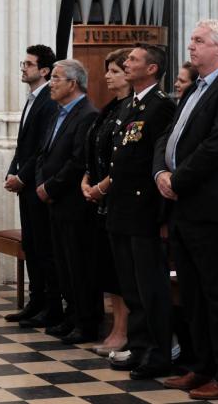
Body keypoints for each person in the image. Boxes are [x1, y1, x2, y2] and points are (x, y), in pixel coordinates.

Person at [153, 19, 218, 400]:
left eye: (199, 41)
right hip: (182, 204)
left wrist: (176, 181)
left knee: (217, 293)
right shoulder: (195, 88)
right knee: (191, 293)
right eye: (192, 40)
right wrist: (161, 172)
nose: (191, 47)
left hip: (211, 205)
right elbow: (169, 135)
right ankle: (201, 366)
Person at [101, 45, 176, 379]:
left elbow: (157, 161)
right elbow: (121, 156)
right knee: (131, 287)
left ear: (152, 68)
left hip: (144, 210)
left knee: (150, 288)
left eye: (133, 60)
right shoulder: (130, 106)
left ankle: (159, 352)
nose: (126, 64)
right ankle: (141, 346)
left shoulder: (160, 107)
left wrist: (161, 217)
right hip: (121, 208)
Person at [34, 59, 100, 345]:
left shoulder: (87, 114)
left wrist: (51, 186)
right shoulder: (56, 112)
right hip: (54, 200)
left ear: (73, 84)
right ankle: (70, 315)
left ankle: (86, 322)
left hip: (73, 201)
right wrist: (40, 182)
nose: (52, 83)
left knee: (79, 265)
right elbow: (44, 152)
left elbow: (77, 161)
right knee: (62, 263)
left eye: (57, 78)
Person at [80, 48, 132, 356]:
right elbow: (97, 146)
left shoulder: (133, 107)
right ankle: (117, 327)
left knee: (119, 271)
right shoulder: (112, 107)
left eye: (114, 70)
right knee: (109, 269)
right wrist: (87, 180)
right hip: (101, 198)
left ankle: (123, 330)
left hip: (118, 197)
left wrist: (101, 186)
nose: (107, 76)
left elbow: (125, 158)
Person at [4, 45, 60, 327]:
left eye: (28, 64)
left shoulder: (49, 100)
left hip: (38, 183)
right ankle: (35, 301)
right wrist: (11, 172)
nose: (23, 68)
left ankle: (50, 306)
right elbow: (22, 144)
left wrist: (23, 177)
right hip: (25, 182)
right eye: (23, 63)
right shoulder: (32, 98)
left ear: (44, 70)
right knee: (31, 245)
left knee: (42, 246)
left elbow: (41, 148)